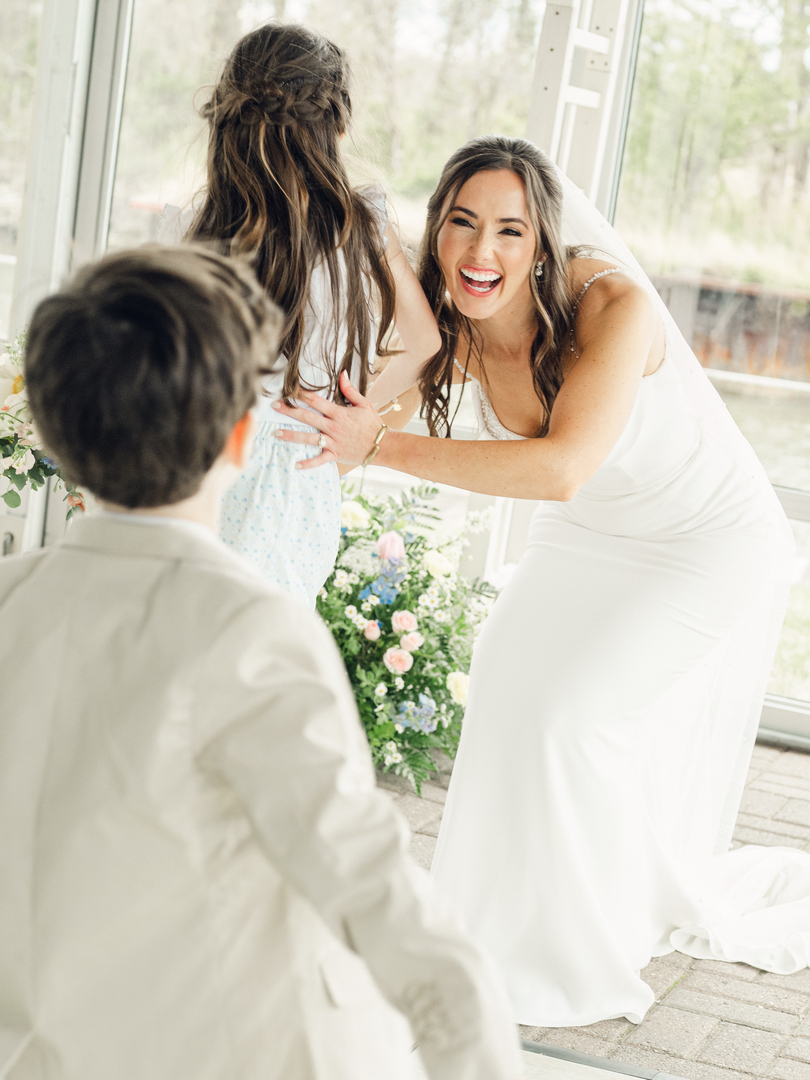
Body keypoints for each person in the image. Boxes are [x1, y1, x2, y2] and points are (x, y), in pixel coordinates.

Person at [272, 135, 808, 1029]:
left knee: (570, 719)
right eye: (462, 223)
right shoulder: (448, 319)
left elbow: (560, 468)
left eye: (510, 231)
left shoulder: (614, 306)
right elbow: (368, 412)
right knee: (505, 694)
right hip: (592, 529)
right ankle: (490, 929)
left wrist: (382, 447)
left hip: (703, 539)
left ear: (543, 242)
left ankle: (579, 948)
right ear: (438, 229)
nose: (482, 251)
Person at [0, 245, 522, 1079]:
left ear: (56, 436)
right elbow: (371, 887)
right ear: (243, 437)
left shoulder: (14, 601)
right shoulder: (249, 630)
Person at [184, 22, 437, 607]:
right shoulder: (361, 226)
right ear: (337, 126)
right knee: (261, 635)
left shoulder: (200, 224)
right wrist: (342, 411)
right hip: (294, 463)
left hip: (199, 449)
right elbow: (424, 343)